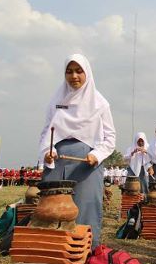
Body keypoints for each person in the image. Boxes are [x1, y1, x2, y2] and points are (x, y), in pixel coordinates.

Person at [38, 54, 116, 248]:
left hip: (86, 164)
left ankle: (86, 255)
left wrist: (96, 155)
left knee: (85, 209)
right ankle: (55, 255)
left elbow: (110, 138)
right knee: (52, 210)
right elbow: (45, 133)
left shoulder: (100, 103)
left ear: (87, 73)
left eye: (79, 71)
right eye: (69, 71)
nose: (74, 76)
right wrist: (46, 152)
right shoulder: (56, 101)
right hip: (56, 162)